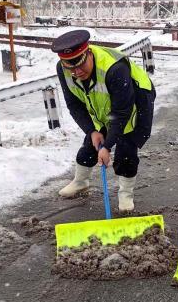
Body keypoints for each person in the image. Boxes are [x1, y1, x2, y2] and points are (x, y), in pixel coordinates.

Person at [52, 30, 155, 212]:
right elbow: (74, 104)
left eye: (80, 65)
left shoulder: (115, 68)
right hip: (103, 102)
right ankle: (81, 182)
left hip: (137, 99)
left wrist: (107, 147)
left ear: (88, 52)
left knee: (126, 147)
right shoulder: (63, 69)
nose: (76, 72)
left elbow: (122, 113)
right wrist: (92, 131)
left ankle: (125, 195)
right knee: (91, 143)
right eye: (71, 67)